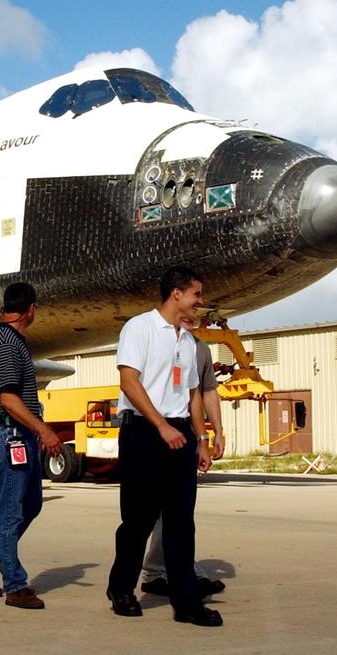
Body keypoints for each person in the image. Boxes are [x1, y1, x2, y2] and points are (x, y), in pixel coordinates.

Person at [106, 266, 220, 627]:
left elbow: (192, 396)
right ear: (176, 294)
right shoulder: (139, 328)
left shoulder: (188, 342)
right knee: (137, 521)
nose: (199, 303)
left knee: (181, 522)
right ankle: (121, 588)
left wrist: (201, 439)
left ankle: (186, 602)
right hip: (143, 433)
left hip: (180, 436)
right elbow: (128, 382)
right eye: (196, 295)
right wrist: (160, 425)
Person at [0, 282, 61, 610]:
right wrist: (44, 430)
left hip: (20, 435)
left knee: (30, 505)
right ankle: (15, 585)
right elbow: (7, 399)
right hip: (11, 435)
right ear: (30, 309)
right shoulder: (6, 344)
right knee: (11, 512)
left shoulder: (13, 341)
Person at [140, 324, 227, 599]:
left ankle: (172, 572)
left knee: (179, 510)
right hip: (159, 431)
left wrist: (216, 433)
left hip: (188, 434)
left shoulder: (199, 348)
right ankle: (162, 573)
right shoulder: (155, 340)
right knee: (156, 511)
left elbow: (206, 392)